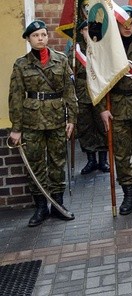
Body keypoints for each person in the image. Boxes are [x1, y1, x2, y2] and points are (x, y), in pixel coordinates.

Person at [8, 20, 77, 226]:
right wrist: (16, 128)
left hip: (56, 120)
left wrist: (72, 119)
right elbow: (16, 97)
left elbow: (69, 93)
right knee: (35, 164)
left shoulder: (61, 60)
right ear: (28, 39)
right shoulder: (21, 64)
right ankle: (40, 207)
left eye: (44, 35)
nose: (41, 38)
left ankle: (57, 205)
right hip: (31, 122)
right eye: (36, 35)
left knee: (57, 163)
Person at [98, 5, 132, 215]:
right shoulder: (110, 49)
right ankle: (128, 195)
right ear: (117, 24)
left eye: (131, 23)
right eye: (123, 23)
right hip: (117, 108)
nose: (128, 27)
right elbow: (100, 81)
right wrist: (102, 109)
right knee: (121, 155)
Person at [70, 21, 109, 175]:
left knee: (101, 126)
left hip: (99, 92)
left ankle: (103, 160)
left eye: (89, 29)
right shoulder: (76, 50)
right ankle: (91, 160)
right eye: (84, 29)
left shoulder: (100, 48)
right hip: (81, 92)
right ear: (80, 32)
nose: (87, 32)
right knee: (85, 128)